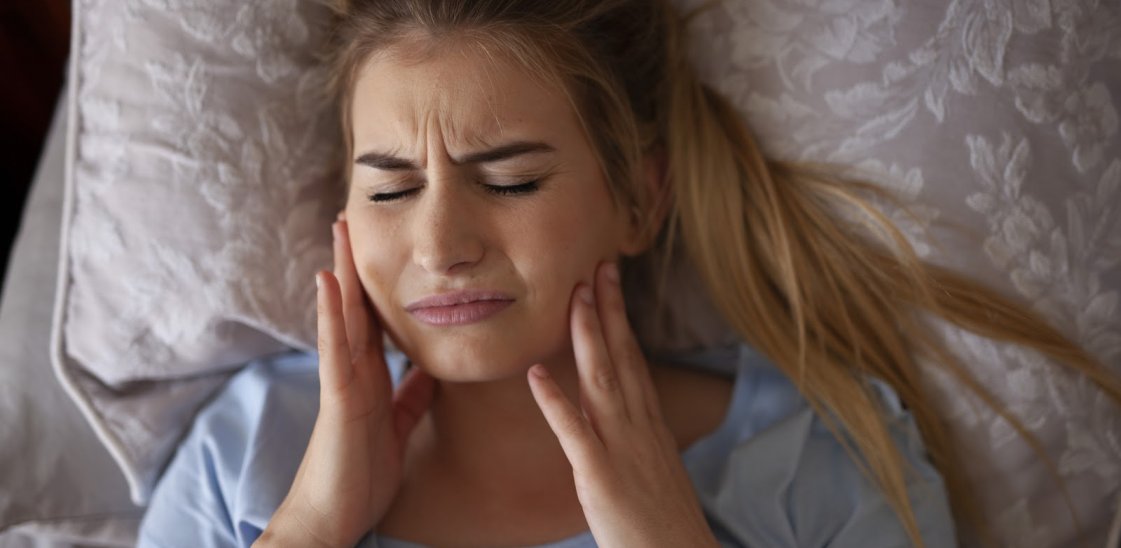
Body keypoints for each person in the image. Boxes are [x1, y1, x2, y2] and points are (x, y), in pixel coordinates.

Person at [137, 0, 1121, 547]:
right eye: (389, 190)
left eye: (510, 179)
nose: (440, 243)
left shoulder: (816, 459)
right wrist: (311, 522)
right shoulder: (245, 456)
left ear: (639, 198)